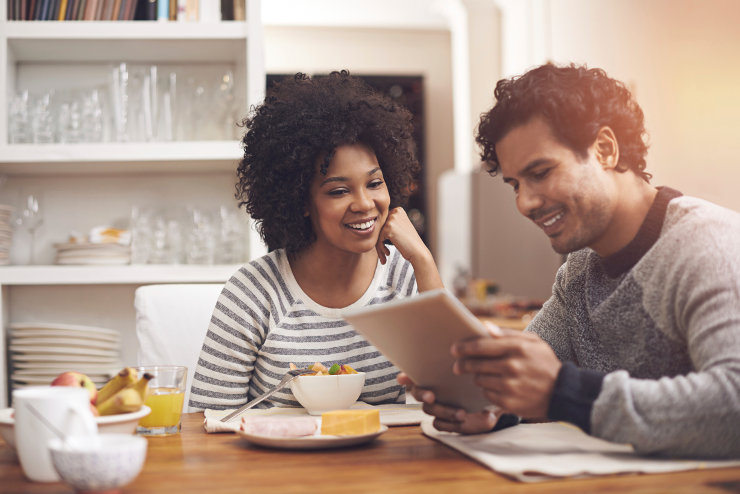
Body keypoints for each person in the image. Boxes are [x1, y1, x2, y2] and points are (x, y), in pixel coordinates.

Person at [400, 63, 740, 458]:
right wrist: (492, 407)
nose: (524, 203)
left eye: (540, 172)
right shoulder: (579, 268)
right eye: (515, 184)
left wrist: (563, 394)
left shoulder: (710, 246)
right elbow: (532, 375)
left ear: (606, 150)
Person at [189, 71, 443, 411]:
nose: (365, 204)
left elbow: (456, 399)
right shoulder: (253, 293)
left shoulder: (405, 278)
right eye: (339, 191)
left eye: (374, 183)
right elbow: (207, 423)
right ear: (302, 202)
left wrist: (424, 262)